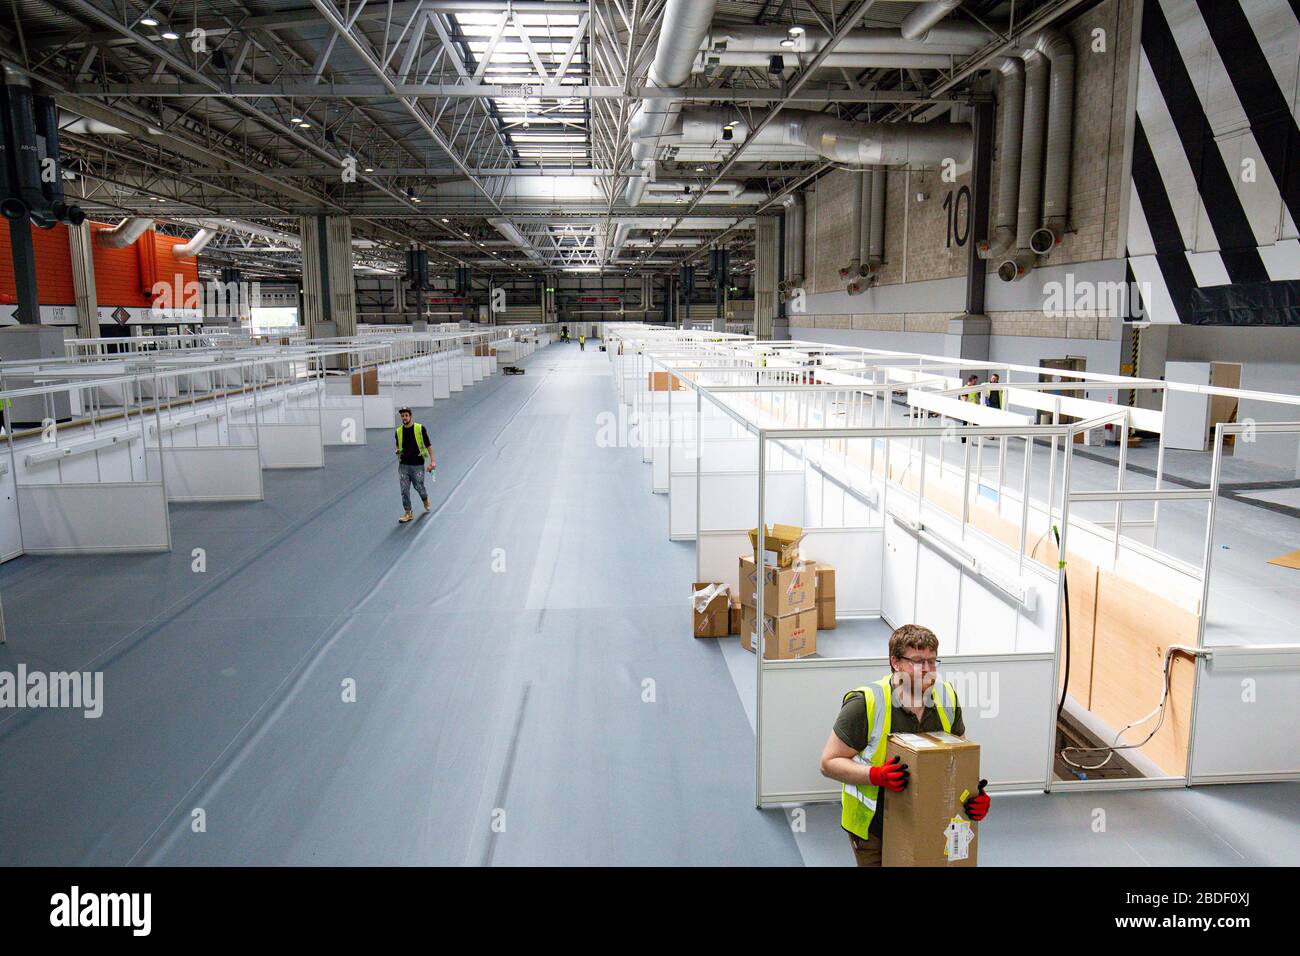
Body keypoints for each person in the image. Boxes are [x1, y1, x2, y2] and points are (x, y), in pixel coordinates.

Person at [819, 624, 991, 867]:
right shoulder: (866, 703)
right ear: (895, 662)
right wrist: (876, 775)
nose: (928, 670)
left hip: (927, 822)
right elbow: (828, 763)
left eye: (932, 661)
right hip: (873, 827)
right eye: (918, 661)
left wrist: (974, 796)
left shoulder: (946, 697)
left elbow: (958, 759)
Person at [394, 406, 435, 523]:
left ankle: (425, 499)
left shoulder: (420, 428)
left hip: (417, 465)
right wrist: (397, 450)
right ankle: (408, 513)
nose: (404, 418)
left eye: (406, 415)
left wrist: (433, 461)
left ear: (410, 416)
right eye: (402, 416)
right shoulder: (398, 432)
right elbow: (398, 446)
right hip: (403, 466)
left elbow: (428, 445)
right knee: (404, 490)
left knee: (419, 487)